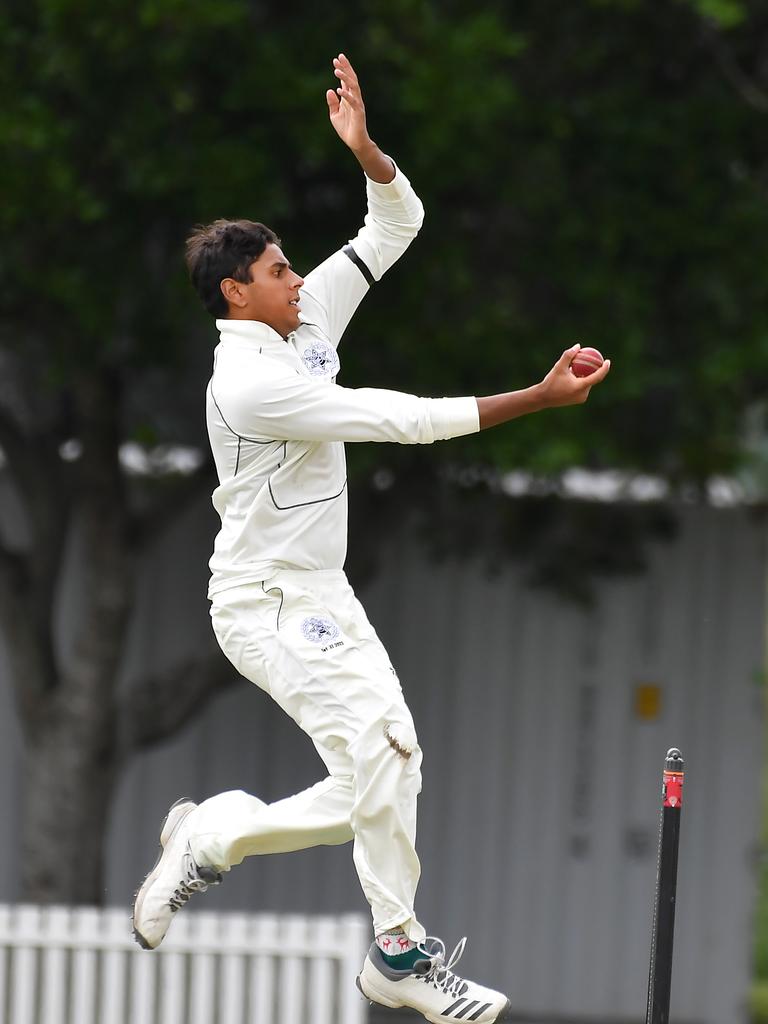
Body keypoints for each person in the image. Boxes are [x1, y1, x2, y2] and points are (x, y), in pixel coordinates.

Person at [131, 53, 610, 1024]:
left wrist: (366, 151)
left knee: (393, 765)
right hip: (264, 603)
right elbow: (401, 421)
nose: (297, 276)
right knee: (381, 770)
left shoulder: (302, 325)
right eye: (275, 270)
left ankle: (223, 843)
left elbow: (395, 225)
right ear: (235, 295)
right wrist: (539, 397)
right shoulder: (251, 383)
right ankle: (395, 950)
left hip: (320, 591)